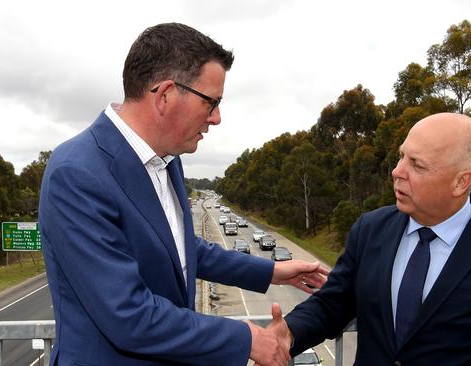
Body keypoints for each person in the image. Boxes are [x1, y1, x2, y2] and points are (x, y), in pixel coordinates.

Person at [39, 22, 327, 366]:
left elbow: (181, 249)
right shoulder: (77, 173)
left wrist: (270, 272)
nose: (217, 118)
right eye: (212, 102)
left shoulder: (167, 161)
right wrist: (247, 338)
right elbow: (128, 315)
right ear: (166, 95)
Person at [275, 113, 471, 365]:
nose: (397, 171)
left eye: (417, 164)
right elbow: (333, 303)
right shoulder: (371, 229)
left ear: (460, 181)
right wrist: (288, 332)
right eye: (402, 155)